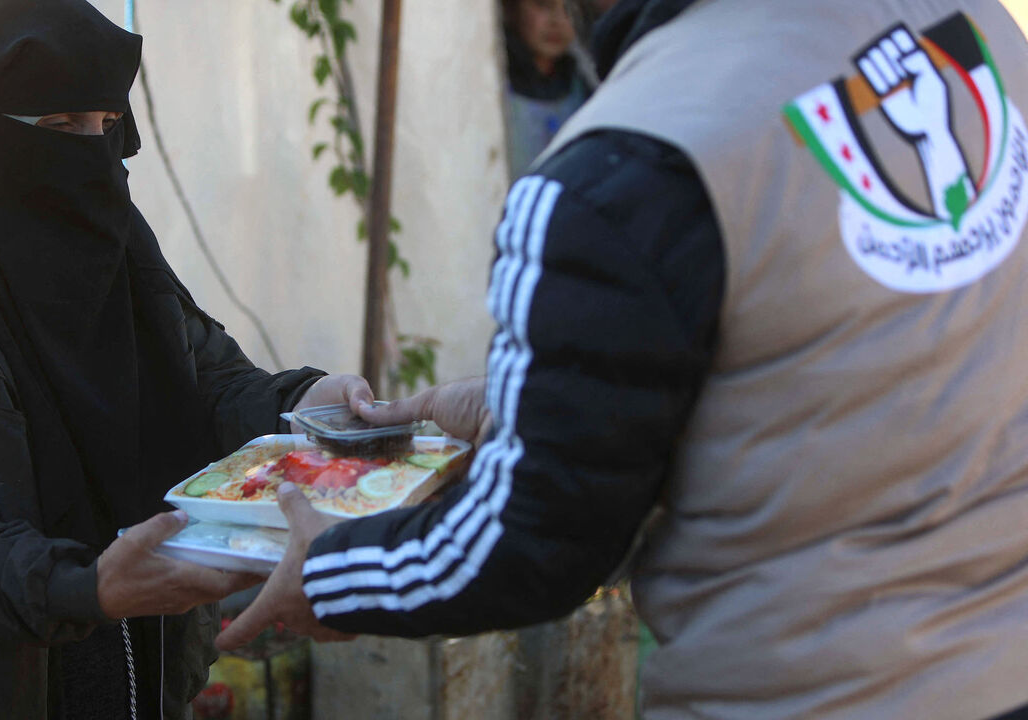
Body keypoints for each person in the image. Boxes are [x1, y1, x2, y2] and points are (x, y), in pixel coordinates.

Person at [219, 0, 1028, 718]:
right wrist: (524, 404)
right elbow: (842, 346)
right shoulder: (971, 29)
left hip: (811, 689)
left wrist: (331, 570)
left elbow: (536, 540)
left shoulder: (630, 161)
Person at [0, 0, 371, 717]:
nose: (92, 152)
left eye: (107, 125)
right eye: (59, 127)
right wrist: (87, 587)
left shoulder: (113, 241)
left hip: (149, 667)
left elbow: (205, 379)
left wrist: (305, 406)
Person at [501, 0, 596, 177]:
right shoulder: (490, 86)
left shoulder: (585, 85)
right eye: (543, 4)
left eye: (569, 8)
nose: (556, 21)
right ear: (512, 9)